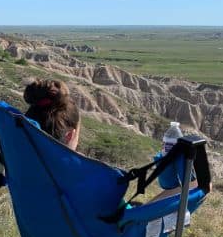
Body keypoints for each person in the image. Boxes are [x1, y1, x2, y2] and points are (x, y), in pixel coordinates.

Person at [23, 79, 195, 200]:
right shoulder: (90, 178)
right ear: (69, 135)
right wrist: (194, 185)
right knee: (196, 187)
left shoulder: (25, 167)